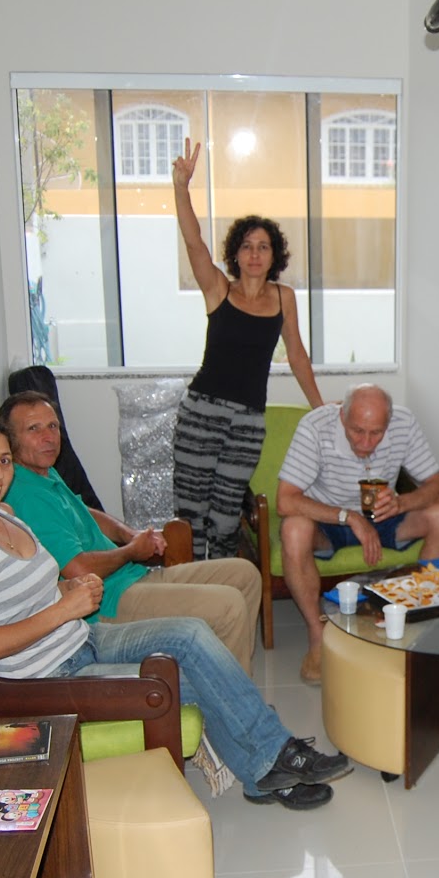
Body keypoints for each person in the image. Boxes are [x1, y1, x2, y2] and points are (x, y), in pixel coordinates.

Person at [0, 410, 351, 810]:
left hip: (82, 638)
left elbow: (32, 590)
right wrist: (64, 609)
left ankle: (269, 766)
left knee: (190, 633)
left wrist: (68, 588)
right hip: (50, 678)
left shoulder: (6, 515)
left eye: (3, 460)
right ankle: (277, 759)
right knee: (196, 677)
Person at [0, 392, 262, 673]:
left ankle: (228, 678)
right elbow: (79, 570)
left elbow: (84, 511)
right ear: (10, 441)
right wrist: (131, 552)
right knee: (229, 605)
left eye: (53, 426)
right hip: (107, 602)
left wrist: (128, 533)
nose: (49, 437)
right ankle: (227, 695)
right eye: (34, 429)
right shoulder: (26, 494)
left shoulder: (43, 472)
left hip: (128, 578)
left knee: (245, 575)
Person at [169, 138, 325, 561]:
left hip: (247, 423)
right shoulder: (219, 289)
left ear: (274, 255)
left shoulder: (284, 298)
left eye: (263, 246)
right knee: (191, 516)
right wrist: (181, 188)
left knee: (225, 519)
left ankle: (222, 587)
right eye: (247, 246)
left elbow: (297, 356)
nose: (255, 254)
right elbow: (194, 243)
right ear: (235, 253)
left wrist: (320, 408)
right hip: (201, 414)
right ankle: (190, 589)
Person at [275, 383, 439, 683]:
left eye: (376, 433)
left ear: (388, 423)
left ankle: (418, 620)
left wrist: (401, 503)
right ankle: (318, 635)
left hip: (384, 517)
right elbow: (285, 500)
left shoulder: (404, 423)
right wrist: (349, 518)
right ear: (342, 416)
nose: (366, 442)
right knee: (294, 528)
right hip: (329, 521)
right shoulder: (315, 427)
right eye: (357, 431)